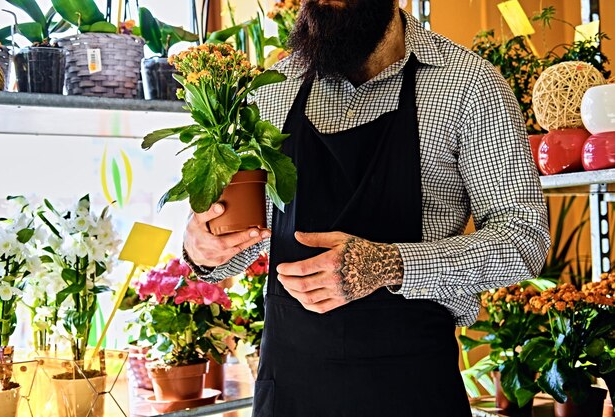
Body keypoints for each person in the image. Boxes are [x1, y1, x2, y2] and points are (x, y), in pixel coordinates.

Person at [182, 0, 551, 415]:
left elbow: (524, 238)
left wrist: (390, 264)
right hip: (290, 389)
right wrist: (203, 248)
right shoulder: (272, 87)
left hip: (410, 389)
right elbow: (246, 238)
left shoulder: (468, 85)